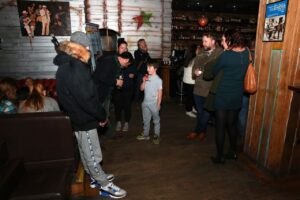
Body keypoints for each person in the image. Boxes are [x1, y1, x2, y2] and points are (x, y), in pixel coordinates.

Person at [53, 31, 126, 198]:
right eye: (86, 46)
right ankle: (105, 185)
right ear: (78, 47)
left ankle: (94, 176)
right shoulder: (76, 67)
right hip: (85, 118)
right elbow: (88, 100)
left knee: (85, 151)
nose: (88, 48)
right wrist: (101, 116)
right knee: (93, 154)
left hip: (77, 117)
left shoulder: (65, 64)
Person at [209, 30, 250, 164]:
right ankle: (233, 153)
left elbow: (214, 71)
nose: (221, 42)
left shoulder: (226, 55)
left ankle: (220, 157)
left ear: (229, 40)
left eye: (223, 40)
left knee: (220, 126)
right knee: (232, 125)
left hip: (223, 95)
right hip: (237, 95)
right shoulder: (246, 53)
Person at [186, 33, 223, 141]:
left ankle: (196, 131)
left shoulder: (220, 53)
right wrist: (195, 72)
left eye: (205, 41)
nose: (203, 43)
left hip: (210, 88)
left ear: (213, 41)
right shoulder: (201, 52)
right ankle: (203, 132)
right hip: (198, 87)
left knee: (206, 112)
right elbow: (194, 67)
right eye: (202, 41)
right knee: (201, 112)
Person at [93, 49, 133, 138]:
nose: (126, 67)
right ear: (126, 60)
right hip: (99, 92)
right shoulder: (110, 61)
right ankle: (100, 135)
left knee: (105, 114)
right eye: (127, 64)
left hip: (105, 92)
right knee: (101, 114)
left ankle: (108, 133)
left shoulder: (114, 61)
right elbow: (101, 77)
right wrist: (116, 82)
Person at [136, 60, 163, 145]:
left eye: (149, 67)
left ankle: (157, 135)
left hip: (153, 104)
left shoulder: (158, 80)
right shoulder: (147, 77)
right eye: (147, 67)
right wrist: (144, 81)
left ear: (155, 69)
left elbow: (160, 93)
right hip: (145, 103)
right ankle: (146, 134)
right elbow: (141, 89)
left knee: (156, 120)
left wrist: (158, 104)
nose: (147, 69)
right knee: (146, 120)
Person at [113, 39, 137, 132]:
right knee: (117, 106)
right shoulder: (114, 59)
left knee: (127, 106)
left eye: (125, 48)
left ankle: (126, 122)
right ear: (118, 48)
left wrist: (133, 74)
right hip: (117, 87)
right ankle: (118, 122)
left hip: (128, 86)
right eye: (122, 48)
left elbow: (135, 70)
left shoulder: (130, 57)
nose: (124, 50)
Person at [182, 44, 200, 118]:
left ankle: (191, 108)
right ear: (194, 51)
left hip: (186, 80)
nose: (199, 50)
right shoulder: (195, 59)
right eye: (198, 49)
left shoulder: (188, 58)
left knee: (190, 96)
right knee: (190, 97)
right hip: (191, 81)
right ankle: (188, 111)